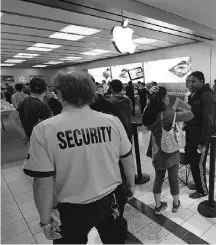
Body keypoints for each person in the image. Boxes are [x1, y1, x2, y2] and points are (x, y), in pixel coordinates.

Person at [23, 71, 136, 244]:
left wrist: (45, 220)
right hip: (110, 199)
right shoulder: (111, 121)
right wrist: (131, 185)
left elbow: (42, 183)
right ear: (92, 93)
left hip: (72, 208)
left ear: (59, 94)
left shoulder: (44, 129)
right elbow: (127, 159)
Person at [142, 86, 194, 214]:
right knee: (173, 179)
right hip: (171, 152)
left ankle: (158, 206)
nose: (168, 99)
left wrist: (152, 96)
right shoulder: (169, 114)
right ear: (161, 99)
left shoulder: (148, 113)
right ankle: (176, 204)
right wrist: (179, 103)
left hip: (157, 151)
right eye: (166, 96)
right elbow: (190, 113)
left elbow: (149, 108)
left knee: (158, 179)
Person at [184, 71, 216, 198]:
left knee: (198, 164)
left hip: (200, 137)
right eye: (189, 81)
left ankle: (203, 190)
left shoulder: (206, 95)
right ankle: (198, 184)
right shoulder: (195, 94)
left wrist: (203, 141)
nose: (190, 84)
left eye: (193, 81)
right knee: (193, 162)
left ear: (201, 82)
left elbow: (209, 121)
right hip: (192, 135)